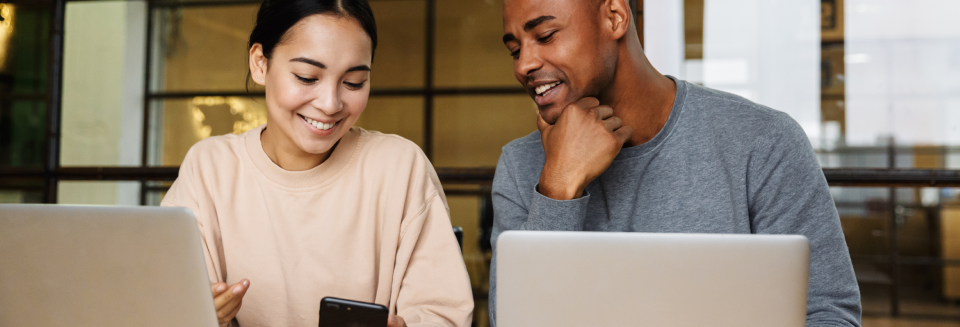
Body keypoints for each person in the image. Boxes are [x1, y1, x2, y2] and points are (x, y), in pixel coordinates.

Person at [489, 0, 861, 326]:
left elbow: (828, 314)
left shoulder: (763, 141)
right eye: (514, 50)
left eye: (546, 35)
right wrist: (559, 185)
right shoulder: (520, 166)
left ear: (615, 17)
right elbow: (513, 321)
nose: (524, 64)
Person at [160, 0, 473, 326]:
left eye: (353, 82)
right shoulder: (210, 168)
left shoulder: (399, 168)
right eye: (307, 77)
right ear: (260, 64)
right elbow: (160, 301)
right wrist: (196, 314)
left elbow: (444, 315)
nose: (330, 104)